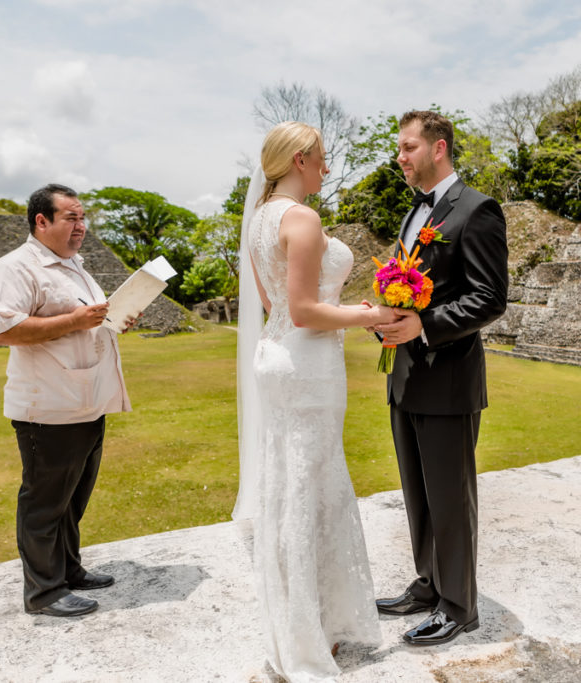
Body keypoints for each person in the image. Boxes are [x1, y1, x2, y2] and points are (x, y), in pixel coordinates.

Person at [234, 122, 400, 681]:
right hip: (307, 363)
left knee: (289, 486)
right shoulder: (301, 218)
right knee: (312, 491)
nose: (327, 169)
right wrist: (370, 315)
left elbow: (273, 301)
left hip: (277, 356)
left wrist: (338, 307)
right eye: (323, 159)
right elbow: (304, 309)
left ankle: (299, 620)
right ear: (301, 159)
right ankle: (309, 633)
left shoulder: (261, 218)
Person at [373, 110, 509, 646]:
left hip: (449, 380)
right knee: (419, 493)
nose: (400, 157)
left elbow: (489, 298)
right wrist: (388, 319)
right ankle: (429, 585)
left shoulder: (477, 210)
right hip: (406, 377)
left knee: (451, 498)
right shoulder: (413, 214)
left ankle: (459, 605)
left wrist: (423, 327)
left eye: (408, 147)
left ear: (439, 148)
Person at [0, 183, 137, 617]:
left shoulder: (74, 267)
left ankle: (68, 569)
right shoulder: (16, 268)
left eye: (83, 218)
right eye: (71, 218)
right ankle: (44, 592)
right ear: (41, 221)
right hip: (49, 406)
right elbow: (0, 330)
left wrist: (115, 318)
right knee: (44, 502)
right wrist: (75, 320)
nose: (81, 227)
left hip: (86, 399)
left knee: (72, 499)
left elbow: (86, 324)